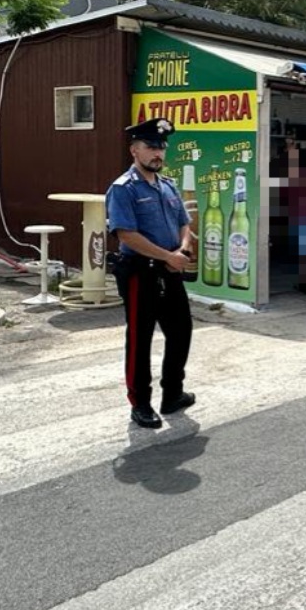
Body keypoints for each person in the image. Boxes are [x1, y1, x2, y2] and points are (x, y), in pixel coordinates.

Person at [106, 117, 196, 429]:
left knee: (181, 330)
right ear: (134, 150)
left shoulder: (168, 186)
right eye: (151, 147)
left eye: (161, 147)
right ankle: (140, 404)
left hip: (170, 268)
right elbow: (126, 234)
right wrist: (167, 256)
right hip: (139, 272)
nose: (158, 153)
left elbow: (184, 222)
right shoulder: (123, 190)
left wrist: (182, 250)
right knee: (140, 338)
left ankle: (172, 393)